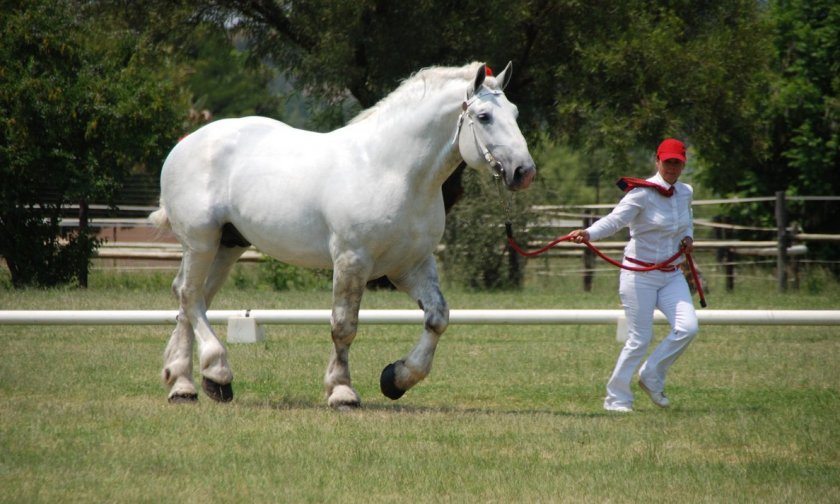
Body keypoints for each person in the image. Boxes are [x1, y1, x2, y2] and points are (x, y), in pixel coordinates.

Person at [569, 138, 699, 412]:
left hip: (672, 274)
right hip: (639, 274)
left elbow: (687, 221)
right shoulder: (641, 193)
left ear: (683, 164)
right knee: (639, 340)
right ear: (657, 161)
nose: (672, 167)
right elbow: (615, 220)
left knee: (688, 328)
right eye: (667, 162)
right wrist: (588, 233)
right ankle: (617, 399)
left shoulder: (685, 192)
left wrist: (688, 237)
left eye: (677, 163)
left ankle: (651, 375)